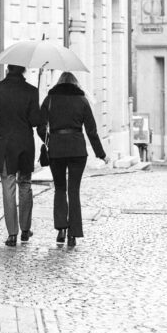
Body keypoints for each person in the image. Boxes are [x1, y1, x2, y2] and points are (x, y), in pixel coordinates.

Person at [37, 71, 106, 248]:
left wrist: (48, 140)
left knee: (60, 188)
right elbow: (91, 130)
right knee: (73, 191)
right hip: (77, 149)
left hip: (57, 149)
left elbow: (40, 126)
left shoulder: (50, 99)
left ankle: (61, 229)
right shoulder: (82, 100)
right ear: (75, 83)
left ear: (59, 83)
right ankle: (73, 234)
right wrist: (101, 153)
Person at [0, 64, 40, 248]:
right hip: (25, 146)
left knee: (8, 186)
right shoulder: (31, 91)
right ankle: (26, 230)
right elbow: (36, 121)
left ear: (7, 70)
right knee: (25, 185)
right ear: (23, 71)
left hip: (5, 146)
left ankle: (12, 234)